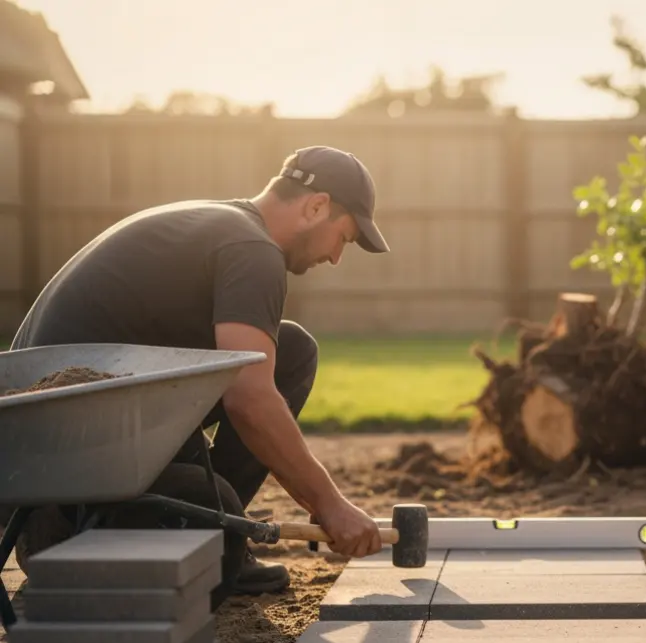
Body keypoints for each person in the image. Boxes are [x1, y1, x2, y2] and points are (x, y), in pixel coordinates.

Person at [7, 146, 391, 597]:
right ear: (316, 206)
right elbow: (250, 398)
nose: (335, 258)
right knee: (280, 369)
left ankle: (92, 520)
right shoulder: (252, 249)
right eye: (343, 238)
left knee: (289, 350)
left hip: (35, 439)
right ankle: (193, 530)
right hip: (76, 432)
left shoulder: (215, 222)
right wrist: (330, 504)